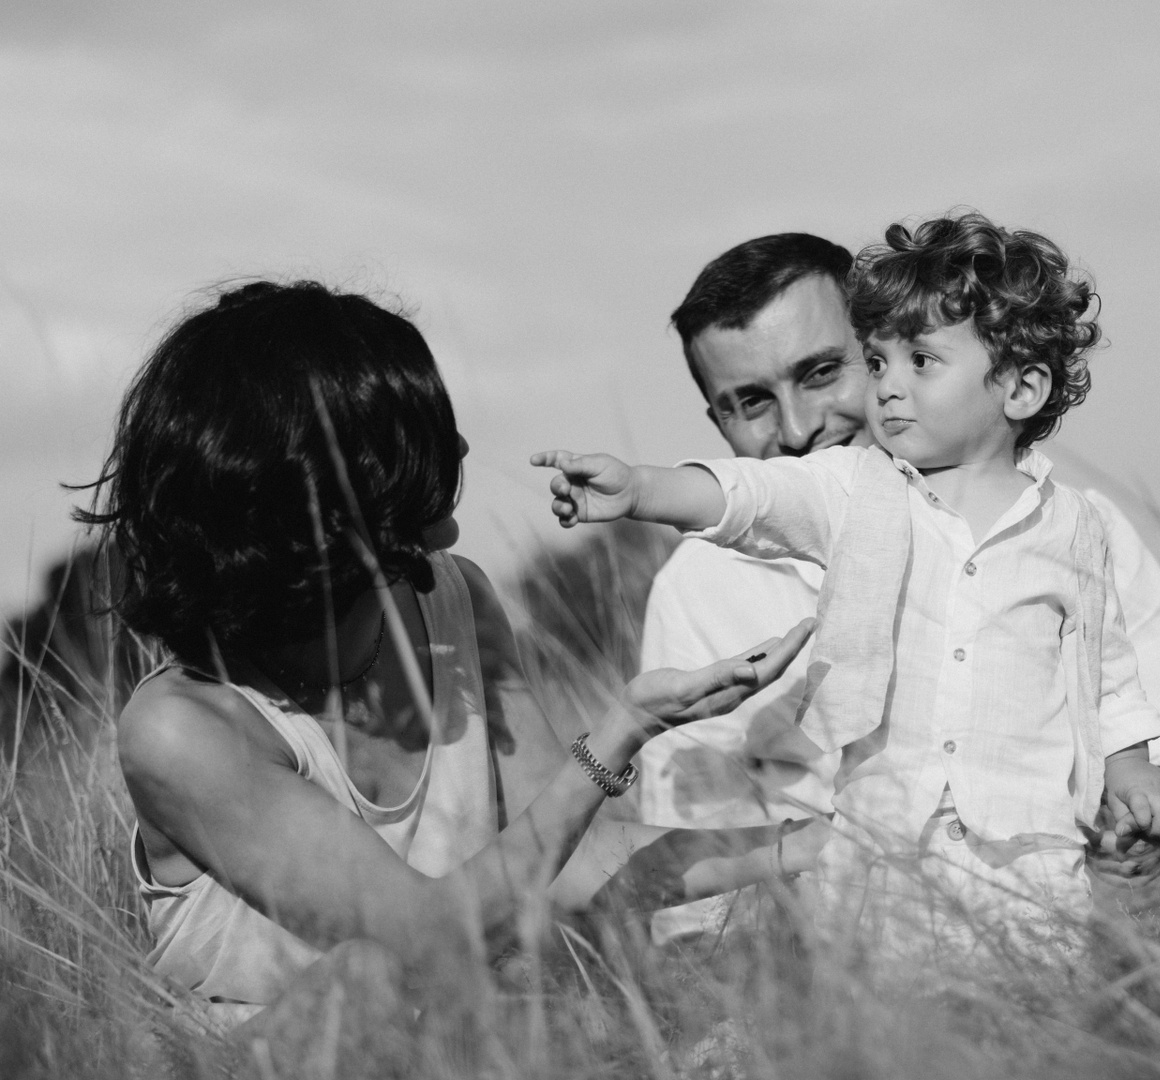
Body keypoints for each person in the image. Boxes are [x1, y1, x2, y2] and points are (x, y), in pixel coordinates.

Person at [85, 281, 813, 1048]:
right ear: (330, 478)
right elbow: (426, 941)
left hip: (461, 1045)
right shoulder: (182, 728)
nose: (460, 450)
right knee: (366, 981)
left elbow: (565, 863)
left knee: (607, 967)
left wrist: (805, 844)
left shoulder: (453, 598)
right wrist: (622, 729)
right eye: (424, 432)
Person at [537, 213, 1160, 938]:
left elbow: (1132, 704)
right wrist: (641, 488)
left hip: (1039, 881)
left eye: (823, 372)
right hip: (855, 921)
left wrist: (1147, 811)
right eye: (751, 401)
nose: (798, 429)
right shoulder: (706, 583)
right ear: (716, 418)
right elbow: (692, 875)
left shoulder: (1077, 530)